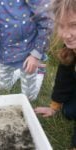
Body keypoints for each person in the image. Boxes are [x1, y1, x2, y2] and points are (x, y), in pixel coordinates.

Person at [34, 0, 76, 148]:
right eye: (61, 25)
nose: (66, 35)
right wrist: (54, 106)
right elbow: (63, 79)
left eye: (74, 25)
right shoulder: (70, 48)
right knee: (68, 112)